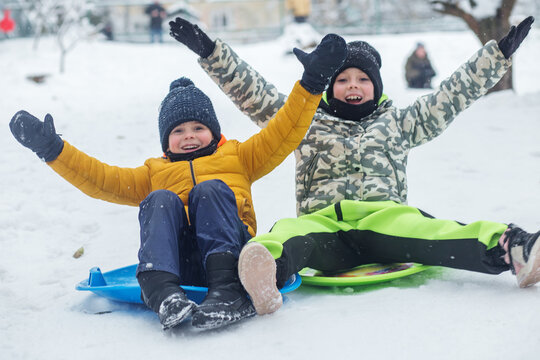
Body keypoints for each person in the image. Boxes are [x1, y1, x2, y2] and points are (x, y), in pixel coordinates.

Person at [169, 16, 540, 316]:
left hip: (385, 220)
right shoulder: (304, 120)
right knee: (287, 230)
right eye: (342, 79)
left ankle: (512, 247)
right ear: (329, 87)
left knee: (431, 228)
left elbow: (451, 96)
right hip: (325, 224)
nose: (353, 85)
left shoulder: (399, 122)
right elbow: (254, 93)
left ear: (376, 86)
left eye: (363, 79)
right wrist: (211, 52)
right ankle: (265, 270)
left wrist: (498, 54)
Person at [8, 34, 347, 329]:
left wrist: (313, 82)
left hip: (228, 256)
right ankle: (163, 294)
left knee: (210, 190)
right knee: (160, 199)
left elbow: (284, 131)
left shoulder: (240, 157)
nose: (189, 137)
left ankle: (228, 293)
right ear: (165, 140)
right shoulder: (153, 172)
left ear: (214, 132)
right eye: (178, 131)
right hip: (177, 265)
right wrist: (52, 150)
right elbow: (99, 178)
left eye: (198, 128)